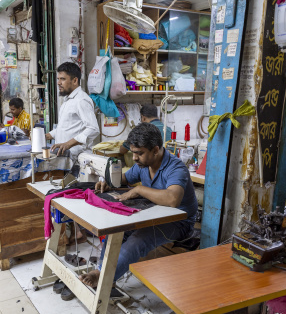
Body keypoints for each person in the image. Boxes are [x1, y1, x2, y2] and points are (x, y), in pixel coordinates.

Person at [74, 122, 198, 296]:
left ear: (155, 150)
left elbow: (172, 199)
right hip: (155, 215)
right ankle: (103, 272)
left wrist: (138, 189)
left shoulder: (176, 168)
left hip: (179, 223)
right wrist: (109, 182)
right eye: (133, 152)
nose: (134, 158)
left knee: (138, 239)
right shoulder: (143, 165)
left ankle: (103, 277)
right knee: (115, 231)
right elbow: (124, 178)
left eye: (139, 153)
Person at [45, 62, 99, 158]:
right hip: (65, 156)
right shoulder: (68, 100)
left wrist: (68, 144)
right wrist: (48, 135)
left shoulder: (81, 100)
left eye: (63, 79)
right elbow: (66, 128)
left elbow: (93, 129)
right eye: (58, 79)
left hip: (77, 157)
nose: (58, 83)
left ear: (74, 81)